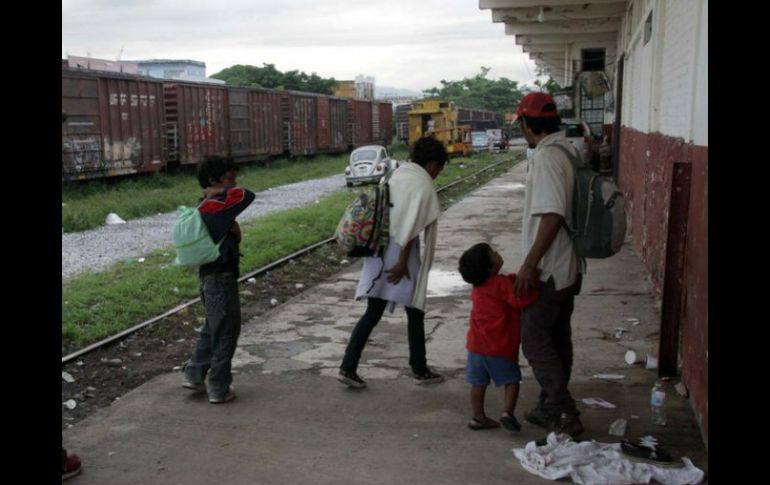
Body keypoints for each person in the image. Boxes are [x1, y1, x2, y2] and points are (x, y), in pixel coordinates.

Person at [338, 137, 448, 388]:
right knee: (414, 310)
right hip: (399, 254)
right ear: (432, 164)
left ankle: (348, 367)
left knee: (374, 311)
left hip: (379, 249)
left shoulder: (397, 174)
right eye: (439, 168)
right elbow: (410, 226)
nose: (438, 174)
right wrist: (401, 262)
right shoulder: (421, 183)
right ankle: (419, 368)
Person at [513, 92, 586, 438]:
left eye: (522, 125)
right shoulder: (568, 150)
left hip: (551, 269)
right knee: (558, 338)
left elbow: (553, 214)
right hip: (569, 265)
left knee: (534, 337)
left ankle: (561, 407)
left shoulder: (546, 158)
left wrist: (529, 264)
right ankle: (547, 406)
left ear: (528, 124)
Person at [182, 157, 255, 404]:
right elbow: (247, 195)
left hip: (209, 279)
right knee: (227, 332)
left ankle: (194, 374)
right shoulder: (216, 204)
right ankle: (219, 387)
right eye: (229, 178)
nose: (234, 183)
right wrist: (219, 190)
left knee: (213, 327)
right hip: (221, 279)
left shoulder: (204, 205)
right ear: (213, 180)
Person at [458, 243, 538, 431]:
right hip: (499, 345)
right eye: (493, 253)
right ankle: (507, 412)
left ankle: (478, 417)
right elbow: (519, 301)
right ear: (490, 266)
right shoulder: (500, 284)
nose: (497, 252)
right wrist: (534, 284)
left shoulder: (478, 288)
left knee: (478, 383)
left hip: (476, 346)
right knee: (511, 380)